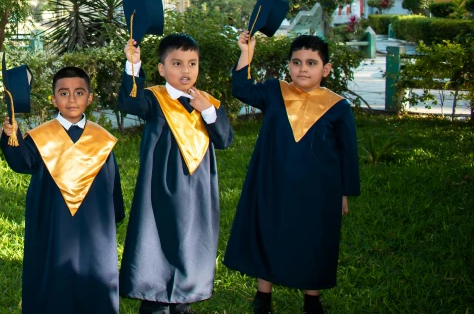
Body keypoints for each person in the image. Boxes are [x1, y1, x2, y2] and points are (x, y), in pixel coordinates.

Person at [224, 33, 360, 314]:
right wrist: (246, 53)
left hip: (319, 189)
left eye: (311, 62)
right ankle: (263, 297)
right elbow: (242, 88)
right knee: (269, 233)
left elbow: (348, 153)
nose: (303, 68)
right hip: (272, 181)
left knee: (315, 239)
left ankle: (312, 299)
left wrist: (345, 192)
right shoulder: (276, 92)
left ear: (326, 69)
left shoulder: (338, 107)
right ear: (288, 66)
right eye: (296, 62)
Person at [119, 33, 234, 314]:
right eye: (177, 63)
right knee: (157, 240)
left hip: (197, 191)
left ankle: (183, 301)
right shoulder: (154, 99)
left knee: (191, 242)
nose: (186, 70)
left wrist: (208, 113)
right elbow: (129, 103)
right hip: (159, 188)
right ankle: (155, 301)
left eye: (192, 63)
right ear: (161, 69)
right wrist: (133, 66)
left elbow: (225, 140)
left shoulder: (207, 102)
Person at [0, 66, 125, 313]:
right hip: (52, 221)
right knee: (51, 276)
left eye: (79, 93)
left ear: (89, 98)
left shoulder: (102, 139)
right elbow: (21, 163)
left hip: (93, 225)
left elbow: (112, 182)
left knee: (95, 273)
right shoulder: (40, 136)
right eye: (64, 93)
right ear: (53, 98)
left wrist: (114, 214)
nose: (71, 99)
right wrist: (11, 137)